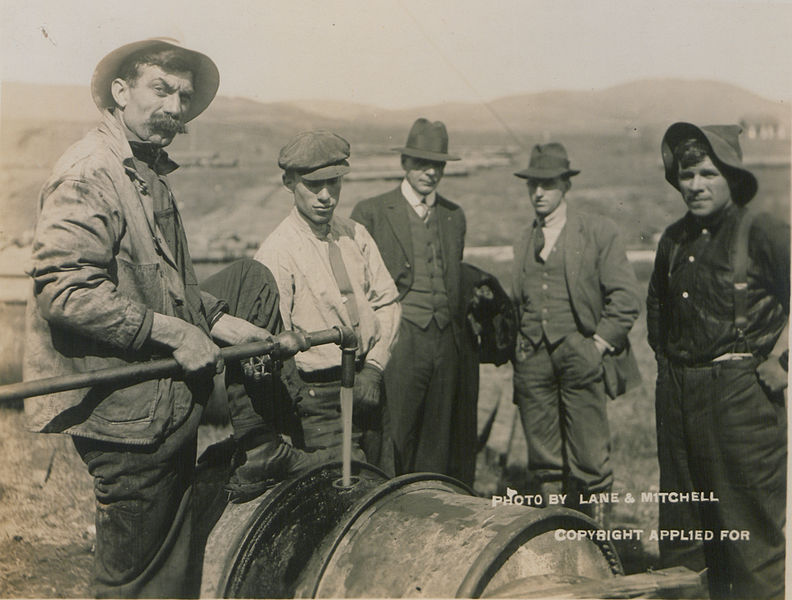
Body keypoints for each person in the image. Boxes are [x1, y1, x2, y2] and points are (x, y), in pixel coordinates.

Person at [22, 38, 293, 597]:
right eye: (161, 89)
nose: (175, 106)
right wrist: (171, 331)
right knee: (137, 584)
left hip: (157, 409)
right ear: (120, 92)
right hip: (126, 416)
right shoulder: (89, 173)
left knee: (165, 576)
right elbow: (64, 289)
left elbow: (168, 284)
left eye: (185, 96)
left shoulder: (145, 173)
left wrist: (219, 321)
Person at [647, 122, 788, 599]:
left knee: (749, 542)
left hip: (741, 402)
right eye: (687, 175)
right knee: (685, 540)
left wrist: (782, 362)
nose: (696, 185)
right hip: (680, 400)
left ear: (732, 176)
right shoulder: (673, 240)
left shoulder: (762, 230)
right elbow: (657, 322)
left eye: (708, 173)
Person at [511, 142, 641, 525]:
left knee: (589, 457)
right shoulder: (523, 240)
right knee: (544, 461)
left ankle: (599, 543)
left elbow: (626, 296)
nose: (538, 192)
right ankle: (556, 538)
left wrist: (597, 345)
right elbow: (521, 301)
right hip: (533, 361)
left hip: (581, 357)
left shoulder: (598, 232)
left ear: (565, 186)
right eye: (532, 184)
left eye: (547, 184)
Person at [254, 130, 401, 468]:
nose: (326, 197)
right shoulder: (278, 252)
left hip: (369, 383)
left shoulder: (355, 234)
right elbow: (276, 340)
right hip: (319, 397)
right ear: (289, 182)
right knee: (340, 490)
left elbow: (388, 302)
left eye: (334, 184)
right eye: (313, 185)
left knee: (383, 482)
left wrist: (375, 369)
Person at [351, 118, 469, 479]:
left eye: (438, 165)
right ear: (405, 163)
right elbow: (359, 289)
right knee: (393, 438)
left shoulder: (453, 216)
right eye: (421, 162)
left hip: (445, 343)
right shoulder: (371, 212)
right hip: (400, 342)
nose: (430, 172)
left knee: (438, 442)